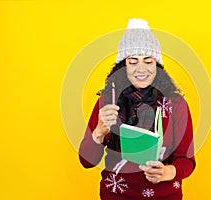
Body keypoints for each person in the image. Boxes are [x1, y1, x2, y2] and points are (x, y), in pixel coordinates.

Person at [79, 18, 196, 200]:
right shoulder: (107, 102)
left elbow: (187, 161)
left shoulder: (175, 104)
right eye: (133, 61)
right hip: (115, 194)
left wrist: (167, 172)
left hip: (164, 196)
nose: (141, 69)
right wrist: (99, 132)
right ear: (122, 66)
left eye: (148, 61)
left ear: (157, 66)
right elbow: (86, 162)